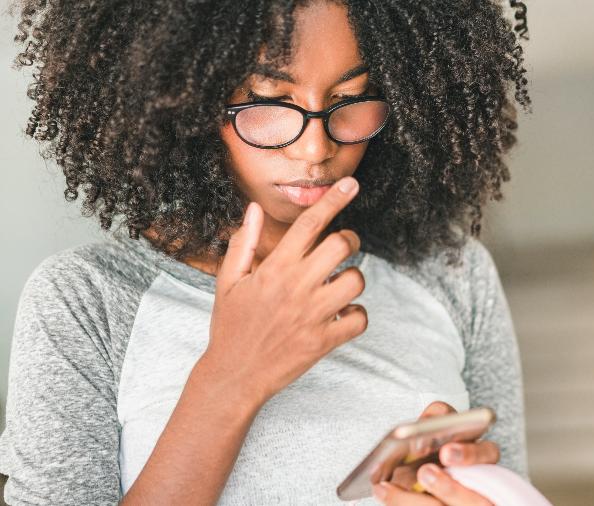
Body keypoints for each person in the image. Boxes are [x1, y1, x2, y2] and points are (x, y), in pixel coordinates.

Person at [0, 0, 531, 504]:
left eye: (351, 100)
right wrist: (231, 378)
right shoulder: (86, 301)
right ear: (187, 95)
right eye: (269, 101)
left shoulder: (452, 273)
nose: (316, 148)